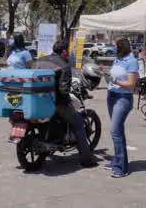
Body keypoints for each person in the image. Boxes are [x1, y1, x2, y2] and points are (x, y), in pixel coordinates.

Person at [33, 40, 98, 168]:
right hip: (56, 103)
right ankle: (86, 160)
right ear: (63, 52)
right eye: (67, 51)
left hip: (36, 100)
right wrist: (69, 103)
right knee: (78, 122)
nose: (68, 54)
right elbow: (63, 92)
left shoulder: (39, 61)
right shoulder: (64, 65)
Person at [105, 38, 138, 178]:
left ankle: (121, 168)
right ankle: (117, 161)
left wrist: (115, 81)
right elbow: (115, 74)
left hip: (123, 98)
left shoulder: (132, 61)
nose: (113, 48)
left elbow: (131, 85)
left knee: (115, 130)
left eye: (115, 46)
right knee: (117, 131)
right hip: (111, 95)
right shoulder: (117, 59)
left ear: (121, 47)